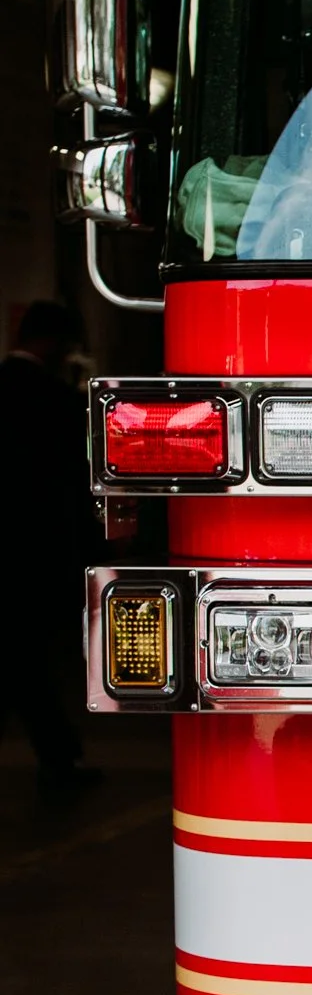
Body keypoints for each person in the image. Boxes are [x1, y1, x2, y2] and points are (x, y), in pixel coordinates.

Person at [0, 298, 104, 799]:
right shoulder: (57, 400)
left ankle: (60, 754)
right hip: (37, 552)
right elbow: (73, 486)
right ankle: (60, 756)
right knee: (25, 660)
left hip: (12, 550)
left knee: (20, 661)